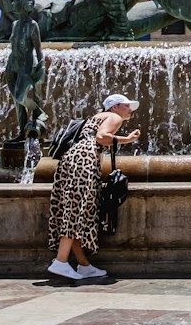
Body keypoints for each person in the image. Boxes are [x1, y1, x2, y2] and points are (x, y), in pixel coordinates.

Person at [47, 93, 141, 282]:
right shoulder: (113, 117)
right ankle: (60, 261)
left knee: (74, 209)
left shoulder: (95, 118)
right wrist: (128, 139)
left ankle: (84, 265)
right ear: (114, 107)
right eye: (126, 106)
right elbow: (101, 138)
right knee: (76, 210)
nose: (130, 110)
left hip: (71, 160)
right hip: (83, 162)